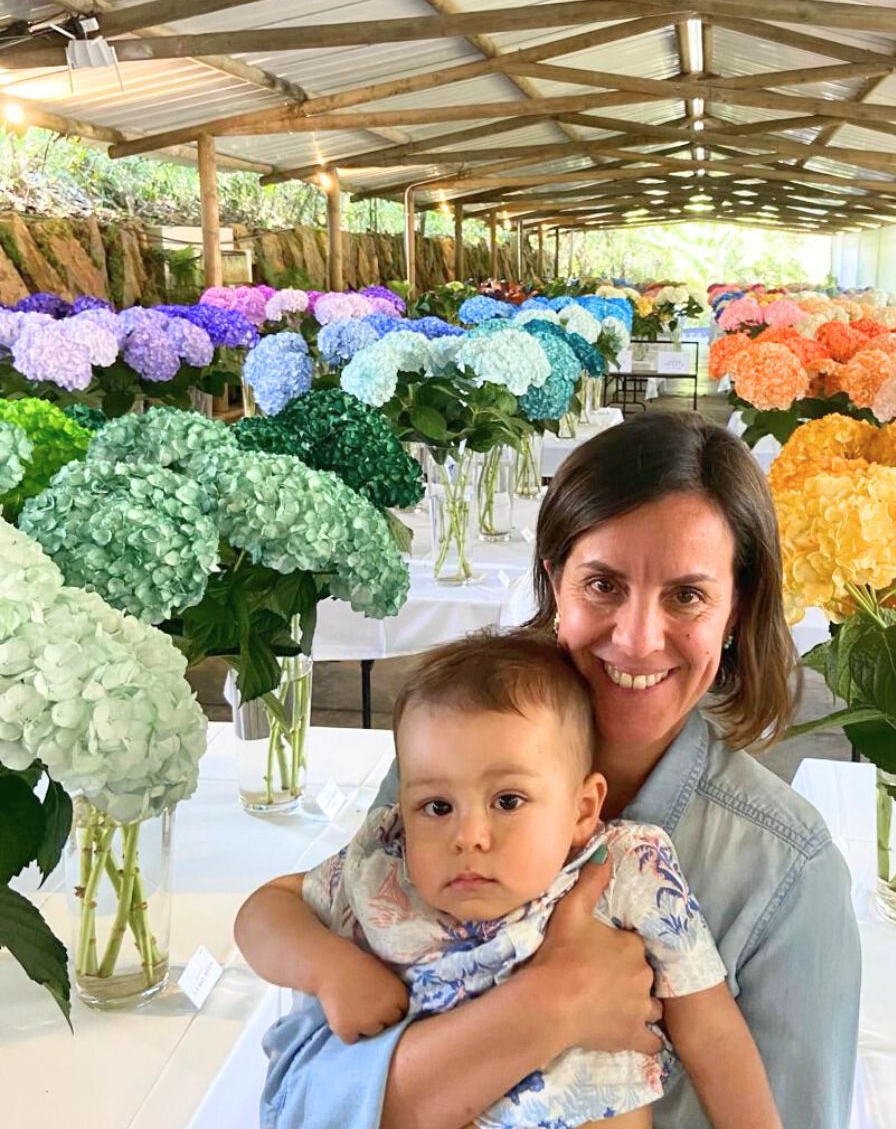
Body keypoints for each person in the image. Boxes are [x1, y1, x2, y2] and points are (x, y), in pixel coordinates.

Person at [249, 410, 861, 1129]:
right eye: (603, 584)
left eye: (687, 596)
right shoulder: (447, 774)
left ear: (736, 612)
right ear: (555, 581)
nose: (637, 639)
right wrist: (551, 1006)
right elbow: (305, 1094)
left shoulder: (783, 871)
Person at [236, 632, 782, 1129]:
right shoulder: (387, 868)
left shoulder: (626, 869)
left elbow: (711, 1030)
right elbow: (265, 911)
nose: (469, 835)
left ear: (582, 808)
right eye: (437, 805)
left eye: (508, 801)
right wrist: (331, 968)